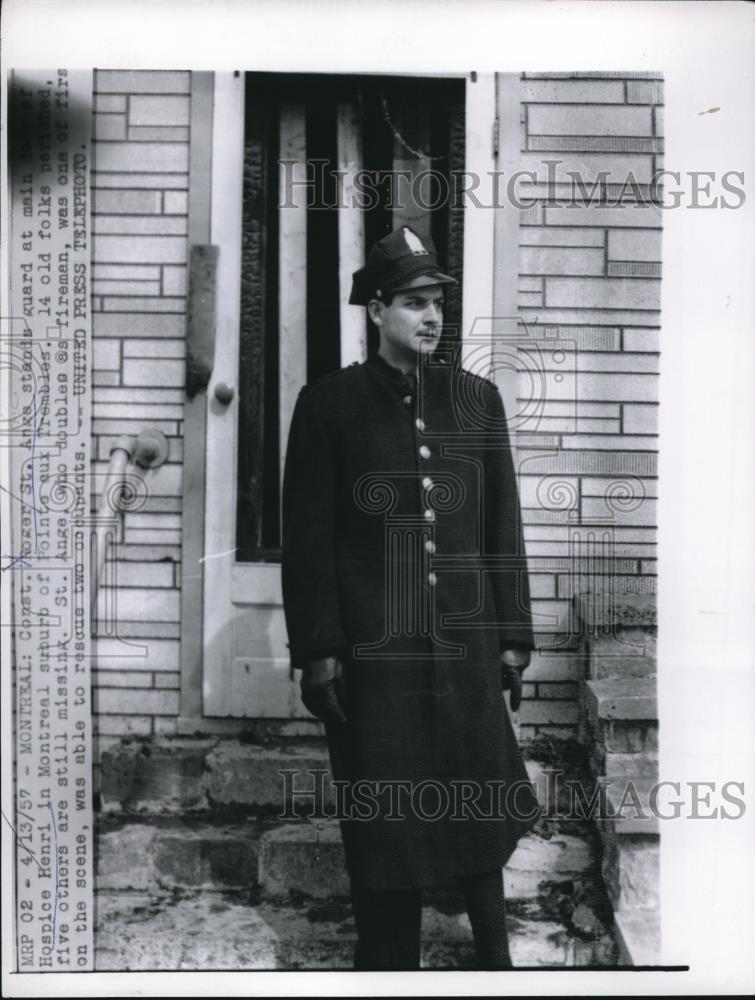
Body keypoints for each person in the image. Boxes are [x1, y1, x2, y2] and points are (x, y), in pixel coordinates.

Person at [281, 225, 538, 970]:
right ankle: (387, 966)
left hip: (463, 649)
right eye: (413, 303)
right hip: (373, 654)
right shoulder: (328, 406)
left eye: (437, 304)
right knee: (384, 815)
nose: (430, 317)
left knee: (476, 800)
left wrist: (512, 634)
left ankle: (494, 960)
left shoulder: (476, 401)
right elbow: (309, 542)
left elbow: (501, 527)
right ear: (376, 312)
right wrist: (319, 650)